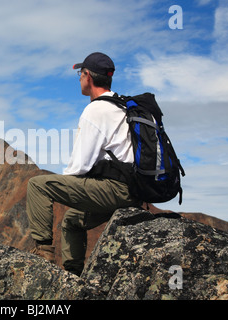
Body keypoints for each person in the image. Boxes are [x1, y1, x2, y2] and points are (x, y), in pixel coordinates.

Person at [26, 52, 142, 276]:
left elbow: (78, 168)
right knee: (71, 219)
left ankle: (43, 256)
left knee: (37, 185)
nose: (79, 78)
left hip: (116, 191)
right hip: (136, 192)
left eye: (80, 73)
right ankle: (72, 275)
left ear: (88, 76)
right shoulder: (124, 107)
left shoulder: (96, 110)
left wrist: (63, 188)